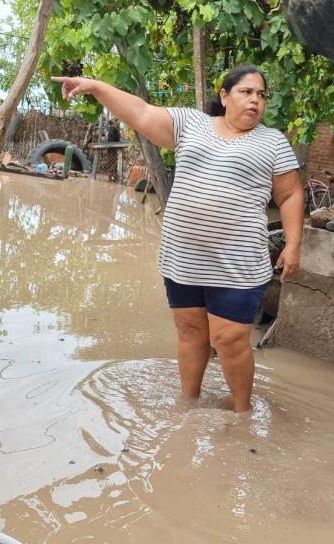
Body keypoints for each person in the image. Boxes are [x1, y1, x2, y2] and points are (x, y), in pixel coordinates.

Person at [51, 65, 304, 413]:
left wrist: (293, 245)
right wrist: (96, 86)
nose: (255, 101)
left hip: (238, 263)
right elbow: (140, 112)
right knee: (189, 332)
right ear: (224, 95)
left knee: (229, 339)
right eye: (247, 92)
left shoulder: (272, 141)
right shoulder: (191, 124)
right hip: (183, 258)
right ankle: (187, 405)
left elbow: (290, 195)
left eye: (261, 95)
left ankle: (243, 414)